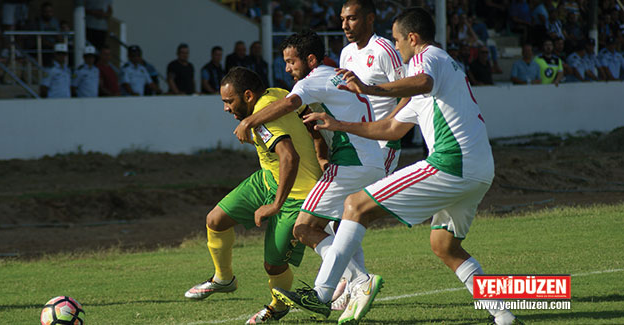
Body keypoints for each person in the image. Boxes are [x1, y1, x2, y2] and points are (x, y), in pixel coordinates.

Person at [272, 8, 521, 325]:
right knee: (444, 245)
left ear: (413, 39)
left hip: (451, 162)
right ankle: (504, 317)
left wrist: (371, 89)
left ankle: (322, 294)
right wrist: (338, 124)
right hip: (480, 168)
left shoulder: (427, 57)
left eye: (398, 39)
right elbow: (389, 129)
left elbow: (421, 79)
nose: (397, 46)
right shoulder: (435, 81)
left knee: (355, 204)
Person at [233, 30, 387, 323]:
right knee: (339, 228)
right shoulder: (338, 75)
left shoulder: (313, 79)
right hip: (369, 161)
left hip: (351, 162)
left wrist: (250, 120)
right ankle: (346, 289)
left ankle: (356, 283)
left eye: (291, 62)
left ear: (310, 59)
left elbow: (290, 103)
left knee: (303, 228)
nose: (287, 69)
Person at [184, 67, 323, 325]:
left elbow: (289, 157)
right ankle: (223, 279)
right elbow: (308, 119)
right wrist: (319, 149)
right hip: (268, 179)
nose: (226, 108)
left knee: (273, 266)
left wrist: (275, 205)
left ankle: (278, 307)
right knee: (215, 220)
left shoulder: (263, 118)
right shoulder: (276, 94)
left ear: (248, 95)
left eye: (229, 101)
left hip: (297, 195)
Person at [339, 0, 407, 179]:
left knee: (371, 195)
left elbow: (407, 94)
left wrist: (389, 126)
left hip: (383, 143)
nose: (345, 26)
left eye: (352, 19)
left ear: (370, 19)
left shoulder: (384, 49)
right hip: (357, 141)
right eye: (342, 19)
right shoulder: (346, 53)